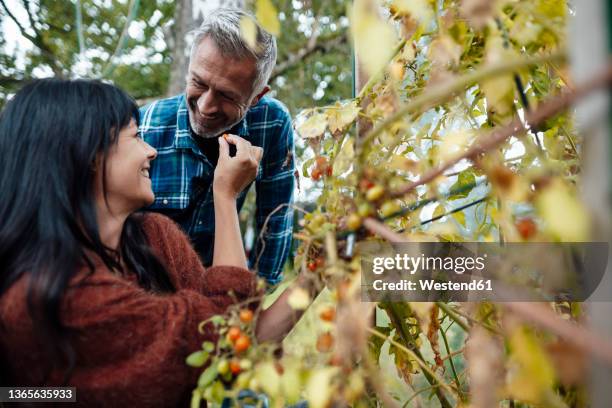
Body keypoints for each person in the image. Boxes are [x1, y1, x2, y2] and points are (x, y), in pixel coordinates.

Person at [0, 79, 313, 407]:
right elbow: (221, 337)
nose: (151, 150)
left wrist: (325, 268)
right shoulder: (54, 299)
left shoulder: (155, 237)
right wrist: (225, 195)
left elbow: (235, 336)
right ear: (90, 154)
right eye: (136, 136)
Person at [140, 8, 295, 286]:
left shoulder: (271, 123)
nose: (205, 106)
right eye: (198, 82)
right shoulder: (144, 127)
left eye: (226, 95)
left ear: (257, 96)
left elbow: (276, 219)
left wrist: (249, 305)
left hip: (218, 289)